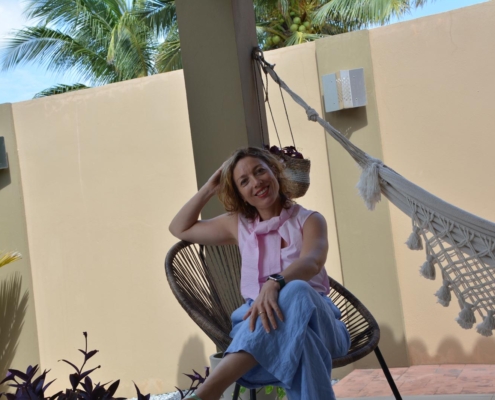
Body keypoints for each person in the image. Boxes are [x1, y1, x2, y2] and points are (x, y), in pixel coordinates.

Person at [169, 147, 350, 400]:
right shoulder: (238, 224)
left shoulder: (310, 220)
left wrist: (275, 282)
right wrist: (210, 187)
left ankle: (209, 391)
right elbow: (179, 227)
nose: (256, 183)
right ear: (240, 193)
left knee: (298, 289)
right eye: (244, 181)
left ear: (274, 171)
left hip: (321, 323)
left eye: (259, 171)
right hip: (257, 323)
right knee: (302, 340)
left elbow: (312, 261)